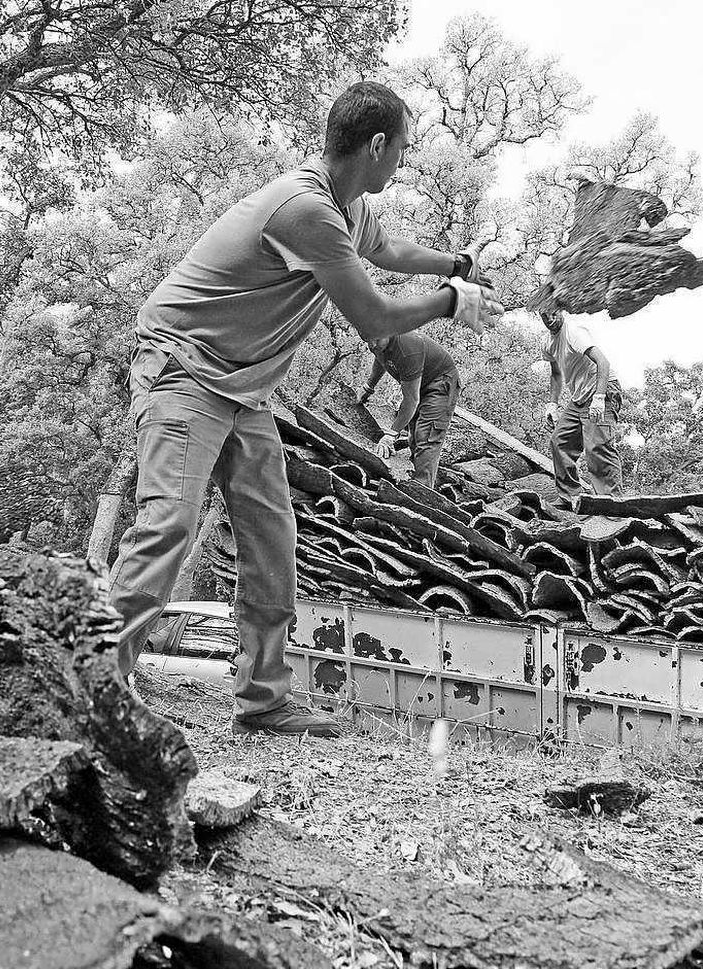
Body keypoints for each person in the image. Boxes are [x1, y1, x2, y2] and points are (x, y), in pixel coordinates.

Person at [110, 81, 501, 737]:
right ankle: (96, 684)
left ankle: (263, 700)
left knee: (272, 539)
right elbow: (373, 312)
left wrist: (455, 262)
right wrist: (450, 301)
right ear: (376, 145)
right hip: (182, 367)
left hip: (245, 389)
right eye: (401, 149)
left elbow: (388, 251)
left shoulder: (347, 208)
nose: (402, 161)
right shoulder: (305, 208)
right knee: (169, 522)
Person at [357, 332, 461, 489]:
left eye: (376, 339)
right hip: (419, 382)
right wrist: (369, 386)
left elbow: (411, 400)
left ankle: (421, 493)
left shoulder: (407, 348)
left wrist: (391, 435)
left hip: (441, 383)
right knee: (413, 437)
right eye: (367, 341)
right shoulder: (378, 341)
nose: (372, 345)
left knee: (426, 437)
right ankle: (413, 477)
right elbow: (381, 358)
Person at [540, 307, 622, 506]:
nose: (550, 318)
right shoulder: (547, 343)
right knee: (560, 442)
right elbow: (556, 374)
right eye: (545, 315)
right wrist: (552, 404)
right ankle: (571, 498)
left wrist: (600, 397)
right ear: (539, 316)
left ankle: (609, 505)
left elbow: (603, 362)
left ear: (562, 311)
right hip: (579, 398)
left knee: (597, 447)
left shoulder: (574, 332)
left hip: (603, 389)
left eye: (554, 312)